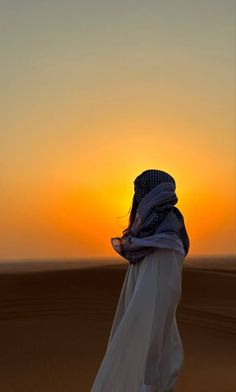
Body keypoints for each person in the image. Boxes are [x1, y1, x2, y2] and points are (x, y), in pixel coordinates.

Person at [91, 169, 190, 392]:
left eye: (139, 194)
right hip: (143, 355)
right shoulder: (145, 241)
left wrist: (150, 368)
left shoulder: (165, 246)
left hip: (152, 363)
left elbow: (158, 309)